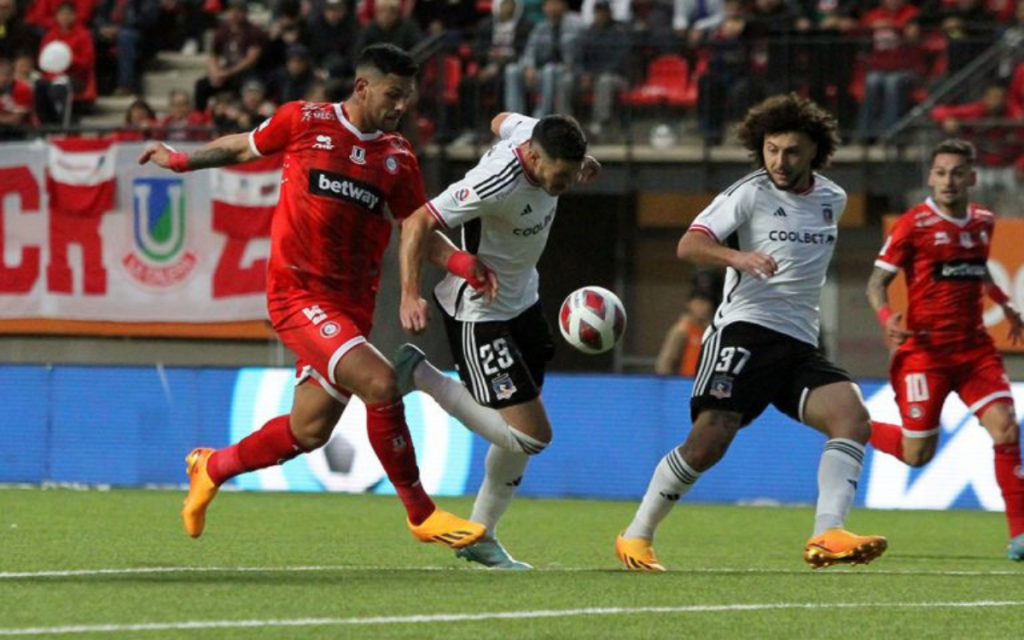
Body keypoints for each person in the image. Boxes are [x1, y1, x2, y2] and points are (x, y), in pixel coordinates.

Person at [138, 44, 486, 551]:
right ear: (363, 87)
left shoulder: (398, 158)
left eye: (407, 98)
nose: (400, 107)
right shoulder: (304, 120)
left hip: (350, 310)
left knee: (309, 430)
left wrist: (462, 263)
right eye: (393, 94)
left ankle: (211, 467)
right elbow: (242, 146)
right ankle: (421, 513)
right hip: (296, 294)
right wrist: (181, 160)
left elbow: (416, 231)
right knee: (381, 382)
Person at [615, 93, 888, 572]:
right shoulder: (750, 192)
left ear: (814, 153)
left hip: (799, 341)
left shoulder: (833, 199)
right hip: (743, 330)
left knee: (852, 417)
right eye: (771, 149)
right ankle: (636, 535)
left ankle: (827, 534)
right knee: (708, 442)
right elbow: (689, 244)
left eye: (792, 152)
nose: (780, 162)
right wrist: (737, 257)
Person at [393, 112, 601, 569]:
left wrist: (584, 162)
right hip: (480, 313)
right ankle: (423, 375)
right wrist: (410, 295)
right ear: (532, 157)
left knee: (517, 435)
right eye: (560, 175)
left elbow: (498, 119)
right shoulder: (494, 183)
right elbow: (416, 223)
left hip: (524, 301)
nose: (566, 184)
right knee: (533, 437)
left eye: (573, 172)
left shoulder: (535, 134)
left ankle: (482, 536)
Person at [865, 138, 1024, 562]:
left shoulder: (984, 222)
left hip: (974, 351)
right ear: (930, 177)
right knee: (917, 455)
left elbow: (976, 271)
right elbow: (876, 283)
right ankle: (855, 425)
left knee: (1007, 430)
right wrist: (887, 320)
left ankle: (1020, 536)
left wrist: (1005, 304)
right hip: (925, 354)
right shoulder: (913, 224)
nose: (948, 181)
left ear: (971, 177)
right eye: (940, 173)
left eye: (956, 173)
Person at [654, 270, 722, 376]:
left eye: (706, 301)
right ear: (689, 303)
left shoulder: (717, 330)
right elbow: (664, 364)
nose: (702, 307)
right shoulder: (682, 329)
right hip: (686, 384)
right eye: (698, 301)